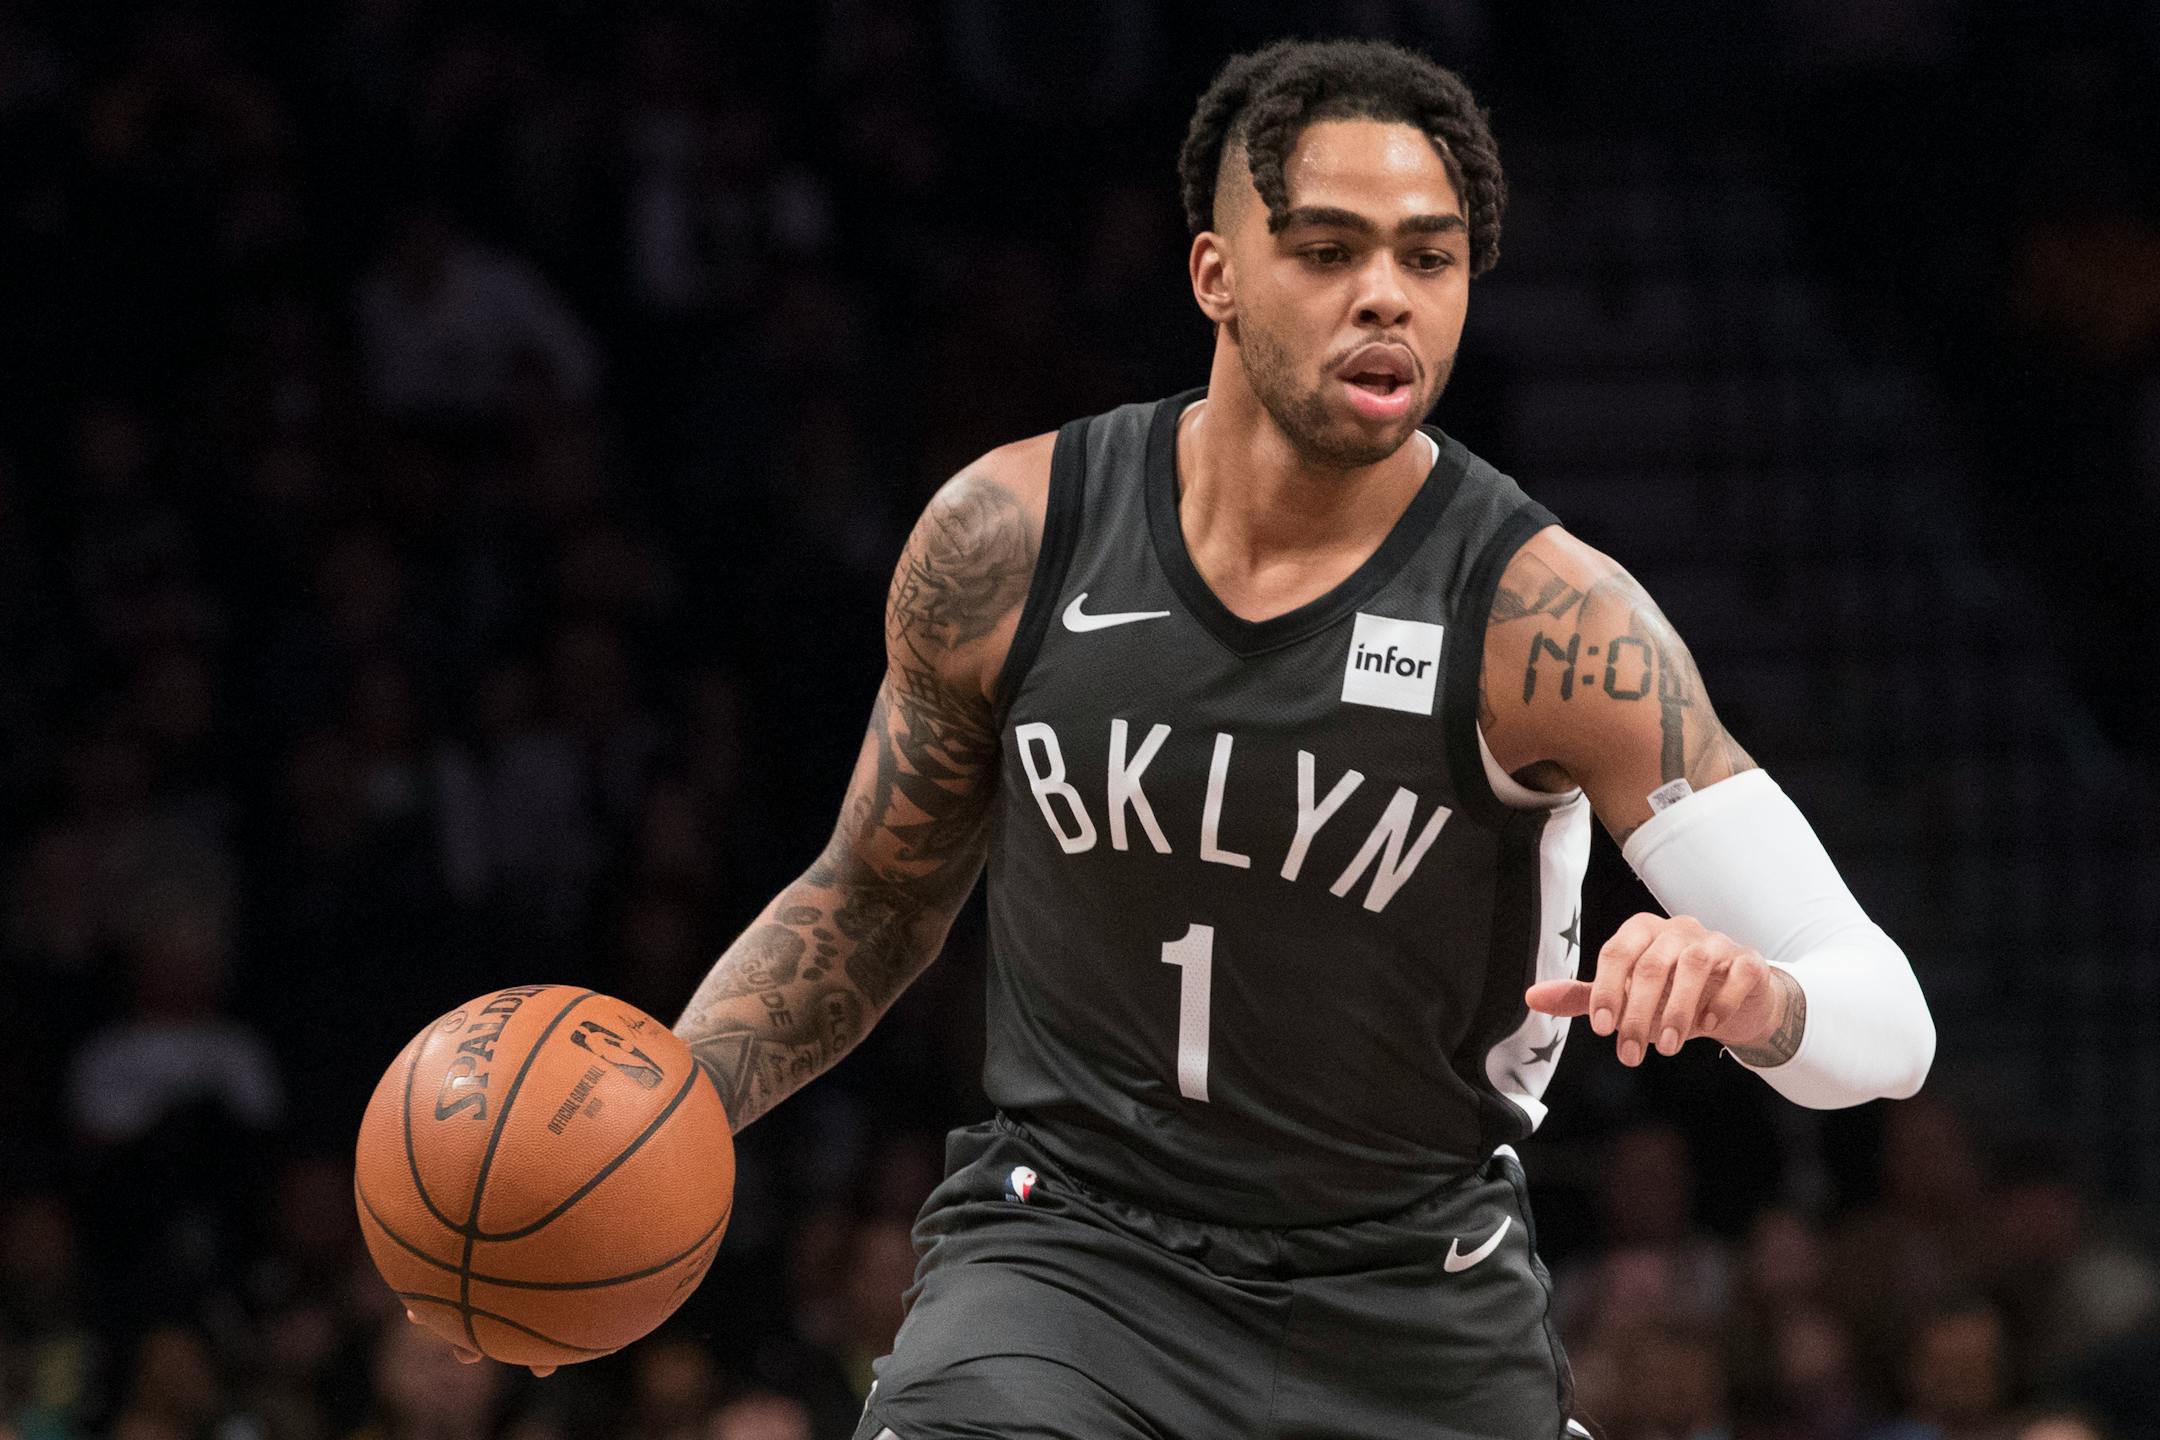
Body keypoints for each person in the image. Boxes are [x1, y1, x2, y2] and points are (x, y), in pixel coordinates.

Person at [655, 37, 1938, 1439]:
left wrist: (1757, 1000)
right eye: (1327, 250)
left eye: (1429, 260)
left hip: (1411, 1305)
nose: (1385, 296)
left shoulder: (1548, 624)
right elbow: (875, 892)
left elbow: (1888, 1020)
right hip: (1068, 1261)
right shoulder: (1012, 537)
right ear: (1215, 273)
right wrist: (672, 1104)